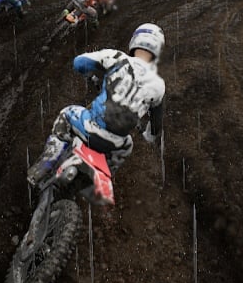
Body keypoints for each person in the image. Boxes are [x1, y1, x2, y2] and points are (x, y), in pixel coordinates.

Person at [29, 23, 166, 184]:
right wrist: (149, 135)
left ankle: (43, 167)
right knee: (128, 144)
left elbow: (79, 62)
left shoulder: (117, 57)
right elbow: (156, 125)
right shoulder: (159, 86)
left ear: (135, 40)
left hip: (90, 128)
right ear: (158, 49)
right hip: (116, 144)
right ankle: (102, 176)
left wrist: (91, 73)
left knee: (67, 113)